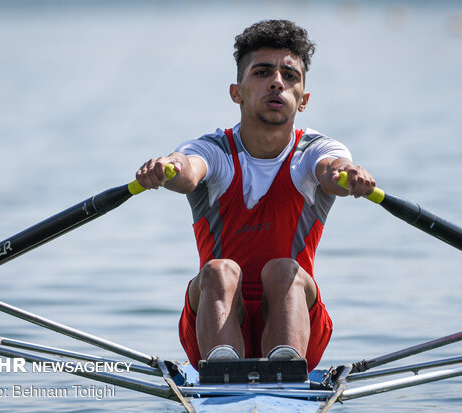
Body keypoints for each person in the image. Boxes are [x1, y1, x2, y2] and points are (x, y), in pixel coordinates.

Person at [135, 19, 375, 372]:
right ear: (237, 92)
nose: (277, 82)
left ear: (303, 100)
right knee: (219, 270)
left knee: (283, 271)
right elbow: (187, 171)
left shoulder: (316, 151)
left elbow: (331, 172)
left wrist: (348, 175)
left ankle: (285, 370)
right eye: (263, 72)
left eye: (290, 76)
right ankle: (223, 373)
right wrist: (167, 165)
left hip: (299, 321)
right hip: (210, 324)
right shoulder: (213, 149)